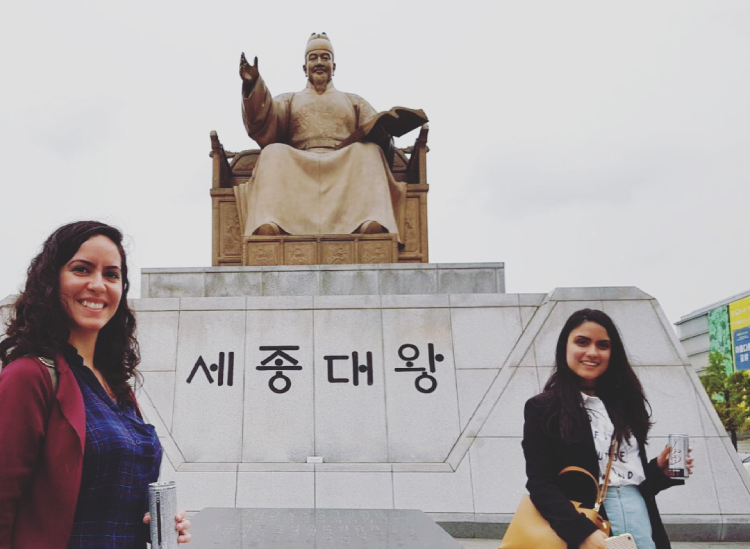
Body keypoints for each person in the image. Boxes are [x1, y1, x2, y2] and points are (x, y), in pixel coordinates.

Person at [0, 221, 192, 549]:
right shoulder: (29, 377)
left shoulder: (118, 389)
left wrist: (152, 521)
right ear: (51, 280)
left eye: (111, 274)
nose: (98, 285)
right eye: (82, 269)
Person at [522, 308, 693, 549]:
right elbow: (540, 483)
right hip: (585, 524)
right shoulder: (543, 407)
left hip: (640, 518)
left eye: (603, 345)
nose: (592, 352)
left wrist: (658, 471)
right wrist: (581, 532)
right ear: (565, 347)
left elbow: (629, 479)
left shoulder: (625, 404)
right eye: (582, 342)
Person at [233, 32, 408, 240]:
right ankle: (271, 222)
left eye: (325, 58)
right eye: (313, 58)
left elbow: (374, 127)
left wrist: (383, 135)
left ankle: (368, 221)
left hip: (343, 162)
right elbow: (264, 118)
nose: (319, 63)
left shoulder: (353, 101)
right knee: (272, 152)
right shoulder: (291, 100)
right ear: (304, 67)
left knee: (369, 152)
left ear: (334, 66)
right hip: (300, 161)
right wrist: (253, 85)